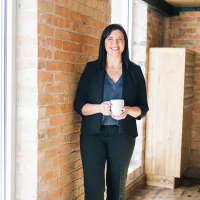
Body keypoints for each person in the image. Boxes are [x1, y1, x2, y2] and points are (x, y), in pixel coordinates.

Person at [74, 24, 149, 200]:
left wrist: (129, 110)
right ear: (104, 43)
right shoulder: (91, 69)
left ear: (125, 43)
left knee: (117, 188)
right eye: (110, 39)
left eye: (120, 39)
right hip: (93, 136)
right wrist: (99, 108)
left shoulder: (134, 71)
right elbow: (79, 105)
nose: (115, 43)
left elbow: (143, 108)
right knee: (93, 188)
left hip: (122, 137)